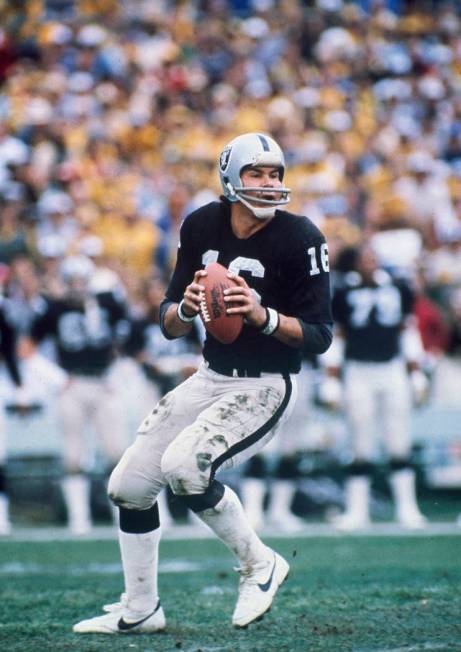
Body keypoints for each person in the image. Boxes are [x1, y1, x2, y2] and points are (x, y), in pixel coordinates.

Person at [73, 132, 332, 634]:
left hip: (264, 386)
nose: (269, 183)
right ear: (231, 177)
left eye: (275, 173)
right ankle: (141, 609)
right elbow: (168, 319)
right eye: (257, 173)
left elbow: (319, 336)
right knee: (127, 486)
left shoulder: (303, 237)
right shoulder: (201, 224)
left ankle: (260, 563)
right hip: (210, 377)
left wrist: (263, 316)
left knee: (186, 468)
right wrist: (187, 309)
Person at [321, 245, 427, 531]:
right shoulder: (343, 293)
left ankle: (408, 508)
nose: (370, 263)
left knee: (398, 439)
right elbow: (338, 336)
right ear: (355, 264)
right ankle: (358, 510)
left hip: (391, 368)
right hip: (358, 370)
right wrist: (332, 378)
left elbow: (408, 330)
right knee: (360, 441)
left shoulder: (399, 288)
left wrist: (415, 372)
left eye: (374, 258)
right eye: (365, 259)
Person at [26, 254, 131, 535]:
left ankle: (121, 514)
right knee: (73, 455)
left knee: (117, 451)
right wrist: (57, 379)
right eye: (71, 280)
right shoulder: (53, 309)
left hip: (102, 382)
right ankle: (79, 518)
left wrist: (114, 373)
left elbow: (126, 341)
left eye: (81, 280)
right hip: (73, 384)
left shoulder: (108, 303)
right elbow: (27, 348)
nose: (76, 286)